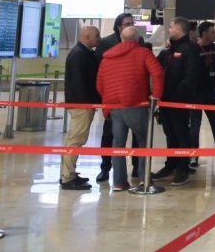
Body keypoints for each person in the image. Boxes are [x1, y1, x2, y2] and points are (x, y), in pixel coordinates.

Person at [96, 26, 164, 192]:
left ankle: (119, 182)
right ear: (137, 39)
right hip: (136, 104)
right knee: (143, 141)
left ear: (121, 37)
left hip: (114, 107)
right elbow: (158, 73)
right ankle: (143, 179)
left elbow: (100, 83)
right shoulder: (143, 53)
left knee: (117, 143)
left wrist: (109, 99)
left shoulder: (107, 57)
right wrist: (156, 96)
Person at [154, 17, 204, 187]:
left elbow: (190, 78)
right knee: (170, 134)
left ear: (179, 29)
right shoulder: (169, 51)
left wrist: (176, 97)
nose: (168, 30)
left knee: (182, 134)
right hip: (165, 102)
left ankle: (182, 168)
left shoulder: (190, 49)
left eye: (171, 27)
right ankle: (171, 164)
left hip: (179, 102)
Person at [60, 26, 102, 190]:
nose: (99, 38)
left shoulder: (83, 53)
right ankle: (67, 177)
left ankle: (68, 172)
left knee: (74, 139)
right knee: (76, 139)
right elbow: (79, 83)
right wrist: (88, 103)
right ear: (87, 37)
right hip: (81, 104)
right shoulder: (79, 55)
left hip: (81, 103)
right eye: (96, 35)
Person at [94, 12, 134, 183]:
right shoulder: (106, 43)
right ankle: (105, 167)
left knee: (137, 135)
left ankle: (138, 169)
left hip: (132, 98)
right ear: (119, 27)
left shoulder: (136, 41)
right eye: (127, 23)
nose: (131, 25)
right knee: (109, 135)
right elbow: (99, 71)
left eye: (132, 23)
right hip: (113, 99)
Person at [190, 21, 215, 168]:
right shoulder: (194, 49)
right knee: (194, 125)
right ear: (205, 33)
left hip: (210, 93)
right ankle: (193, 156)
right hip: (195, 93)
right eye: (213, 32)